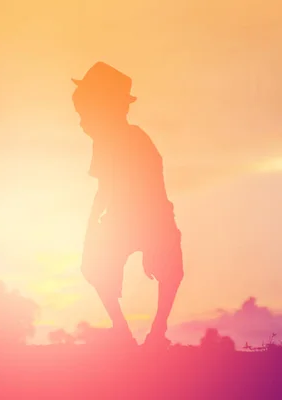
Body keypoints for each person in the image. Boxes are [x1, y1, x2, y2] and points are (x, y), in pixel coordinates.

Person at [72, 62, 184, 347]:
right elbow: (104, 188)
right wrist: (93, 226)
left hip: (151, 215)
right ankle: (123, 330)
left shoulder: (135, 140)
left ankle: (157, 332)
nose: (82, 122)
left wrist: (153, 239)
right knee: (94, 265)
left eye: (85, 114)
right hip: (122, 217)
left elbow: (152, 192)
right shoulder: (106, 142)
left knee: (170, 269)